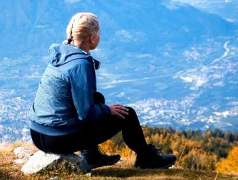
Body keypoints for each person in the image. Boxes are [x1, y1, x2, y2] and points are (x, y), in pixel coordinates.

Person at [30, 12, 176, 169]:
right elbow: (85, 114)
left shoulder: (61, 54)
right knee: (127, 115)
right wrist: (107, 110)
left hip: (38, 134)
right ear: (92, 38)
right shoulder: (80, 64)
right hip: (56, 139)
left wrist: (102, 108)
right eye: (98, 33)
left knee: (96, 98)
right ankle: (147, 159)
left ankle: (92, 156)